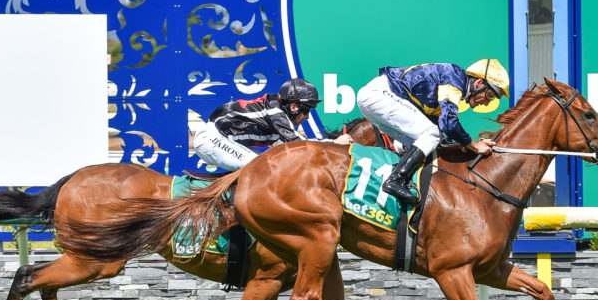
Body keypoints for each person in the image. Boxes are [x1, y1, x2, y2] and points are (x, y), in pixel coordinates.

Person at [355, 59, 510, 204]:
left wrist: (465, 146)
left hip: (374, 100)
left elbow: (443, 132)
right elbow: (449, 124)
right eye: (490, 95)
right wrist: (474, 145)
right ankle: (396, 180)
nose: (487, 102)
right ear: (479, 83)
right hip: (379, 95)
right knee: (431, 134)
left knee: (428, 142)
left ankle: (395, 177)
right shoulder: (454, 77)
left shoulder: (452, 85)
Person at [192, 77, 352, 171]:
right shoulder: (276, 112)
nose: (307, 116)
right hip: (212, 139)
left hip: (222, 137)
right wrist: (334, 143)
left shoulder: (277, 111)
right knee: (260, 168)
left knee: (270, 165)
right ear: (294, 107)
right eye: (306, 110)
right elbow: (299, 145)